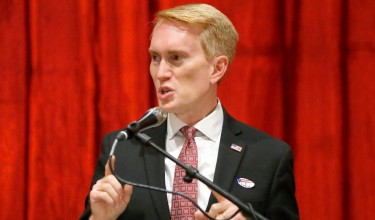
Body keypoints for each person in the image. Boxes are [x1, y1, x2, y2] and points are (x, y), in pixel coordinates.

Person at [80, 3, 299, 220]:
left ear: (217, 68)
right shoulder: (123, 150)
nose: (161, 72)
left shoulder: (268, 157)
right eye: (155, 58)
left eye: (176, 58)